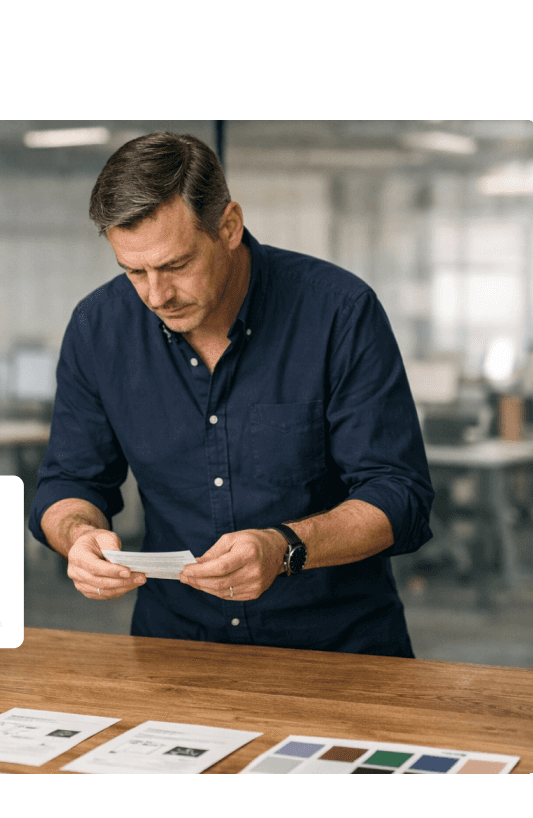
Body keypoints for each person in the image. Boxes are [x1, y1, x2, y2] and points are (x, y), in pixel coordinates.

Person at [28, 132, 434, 657]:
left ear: (229, 226)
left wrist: (283, 546)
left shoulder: (338, 312)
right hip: (178, 651)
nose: (157, 295)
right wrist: (78, 536)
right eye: (134, 271)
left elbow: (399, 495)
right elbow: (67, 481)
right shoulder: (98, 328)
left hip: (336, 653)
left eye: (175, 265)